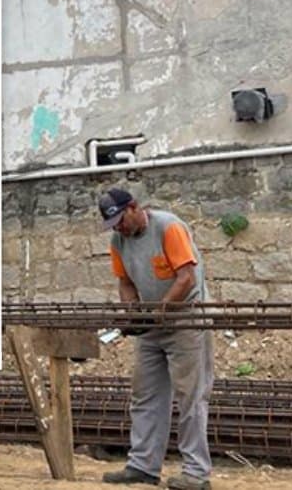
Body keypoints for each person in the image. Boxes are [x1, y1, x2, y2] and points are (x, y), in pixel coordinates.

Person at [98, 188, 212, 490]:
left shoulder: (168, 227)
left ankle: (196, 473)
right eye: (113, 225)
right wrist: (133, 314)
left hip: (187, 320)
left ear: (134, 208)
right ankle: (143, 466)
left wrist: (158, 313)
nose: (119, 229)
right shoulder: (118, 241)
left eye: (121, 221)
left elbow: (186, 278)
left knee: (191, 396)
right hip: (152, 325)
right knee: (145, 394)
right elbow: (125, 282)